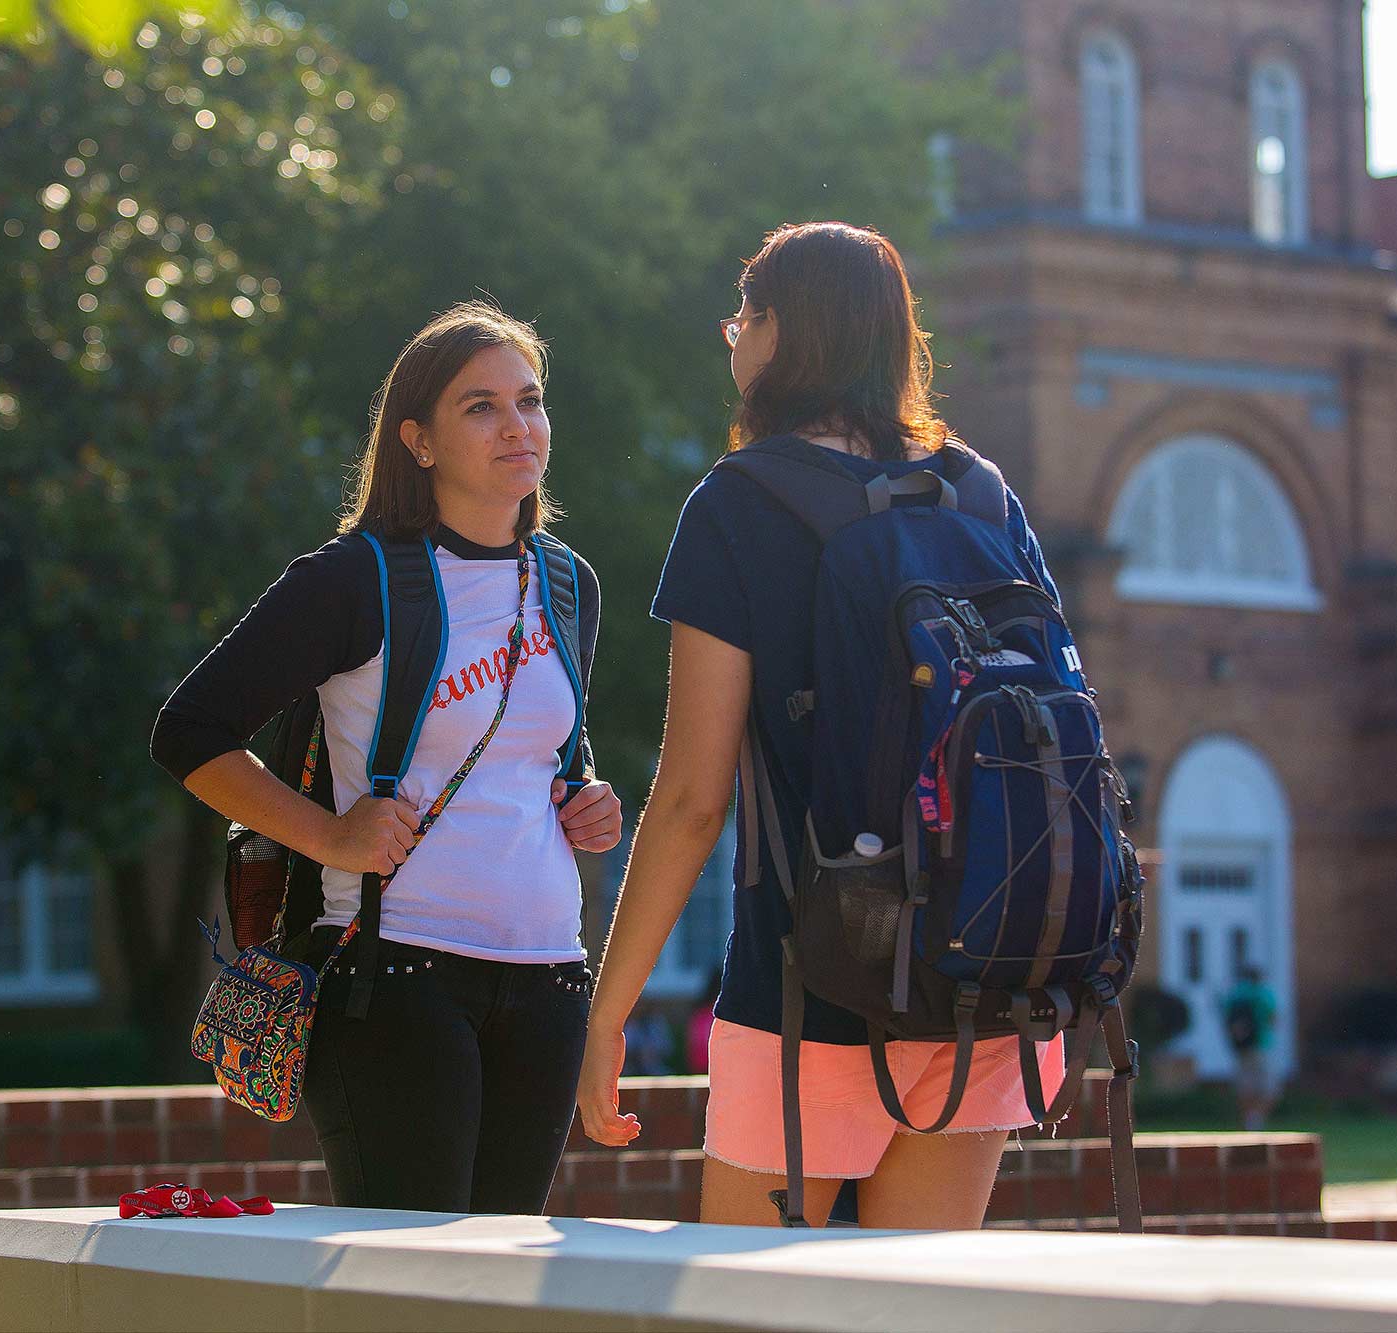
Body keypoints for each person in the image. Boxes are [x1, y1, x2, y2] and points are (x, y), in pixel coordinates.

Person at [576, 221, 1063, 1230]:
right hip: (984, 967)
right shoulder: (981, 492)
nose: (732, 341)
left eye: (739, 318)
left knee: (750, 1308)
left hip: (809, 980)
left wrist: (608, 1009)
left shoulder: (737, 504)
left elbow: (689, 798)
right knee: (904, 1309)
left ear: (779, 328)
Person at [153, 303, 623, 1214]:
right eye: (480, 406)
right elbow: (189, 730)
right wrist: (331, 837)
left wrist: (586, 796)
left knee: (497, 1286)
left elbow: (543, 753)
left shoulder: (568, 581)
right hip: (395, 979)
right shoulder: (351, 578)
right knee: (412, 1288)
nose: (517, 425)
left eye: (529, 400)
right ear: (418, 439)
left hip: (551, 975)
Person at [1221, 967, 1279, 1131]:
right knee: (1268, 1087)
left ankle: (1248, 1121)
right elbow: (1273, 1018)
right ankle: (1256, 1120)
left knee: (1245, 1086)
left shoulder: (1234, 995)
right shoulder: (1263, 994)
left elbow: (1226, 1020)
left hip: (1241, 1049)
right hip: (1261, 1046)